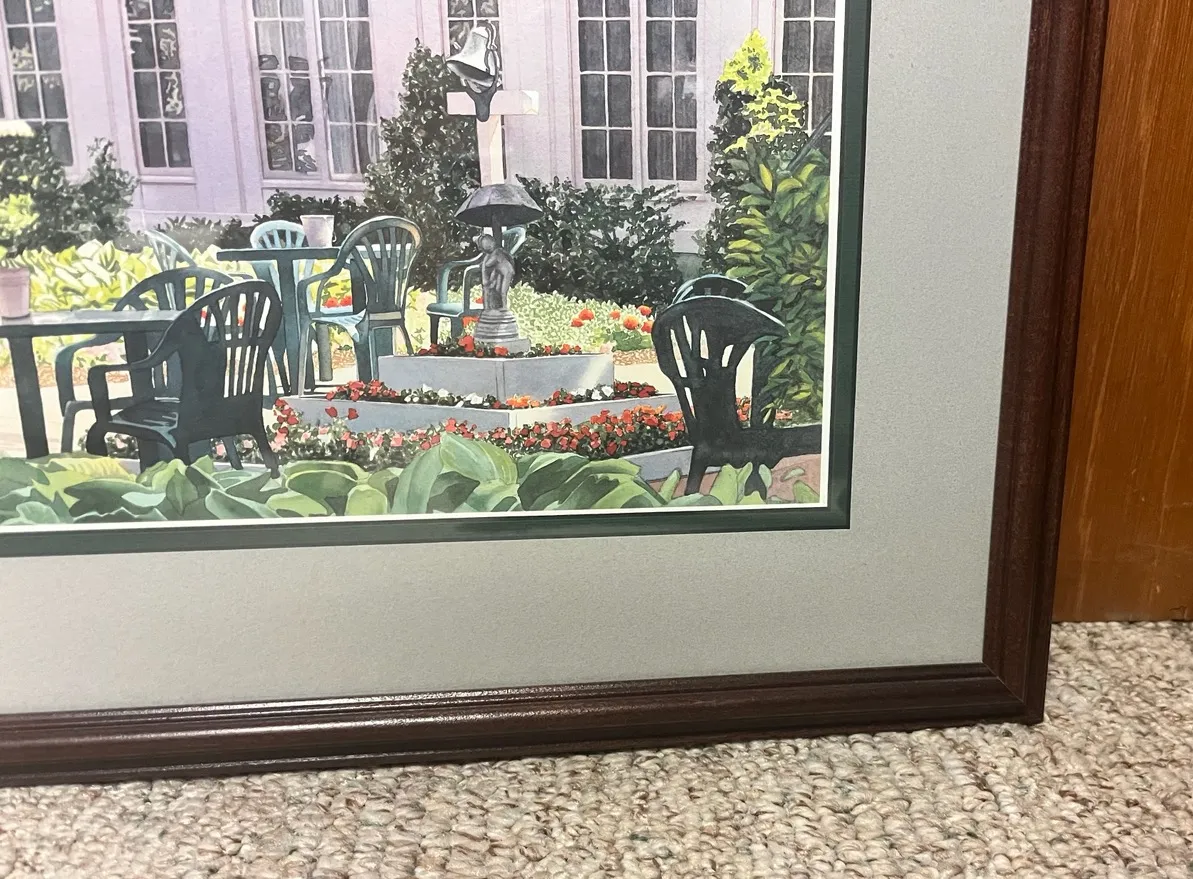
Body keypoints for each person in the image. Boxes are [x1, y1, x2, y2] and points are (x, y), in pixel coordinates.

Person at [477, 233, 515, 312]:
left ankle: (504, 307)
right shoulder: (493, 254)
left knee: (503, 292)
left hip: (508, 273)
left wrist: (484, 264)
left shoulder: (497, 254)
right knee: (497, 288)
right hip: (501, 272)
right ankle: (490, 307)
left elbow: (488, 264)